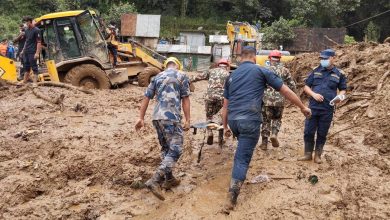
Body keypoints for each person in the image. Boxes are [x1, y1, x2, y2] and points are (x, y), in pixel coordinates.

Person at [222, 46, 311, 212]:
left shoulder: (231, 76)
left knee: (241, 148)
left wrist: (225, 126)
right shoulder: (261, 71)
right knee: (242, 158)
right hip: (250, 119)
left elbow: (225, 106)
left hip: (234, 120)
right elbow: (285, 90)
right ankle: (231, 198)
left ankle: (237, 173)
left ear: (241, 58)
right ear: (254, 57)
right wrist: (302, 107)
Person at [135, 57, 191, 200]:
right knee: (176, 150)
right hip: (171, 117)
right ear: (178, 66)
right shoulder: (182, 76)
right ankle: (155, 180)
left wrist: (141, 118)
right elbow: (185, 99)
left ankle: (169, 179)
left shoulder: (157, 76)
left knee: (166, 149)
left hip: (157, 118)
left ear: (166, 66)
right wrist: (188, 119)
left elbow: (146, 97)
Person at [298, 49, 347, 164]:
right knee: (308, 131)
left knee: (322, 132)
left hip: (328, 109)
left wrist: (339, 98)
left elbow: (343, 90)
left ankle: (318, 155)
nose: (323, 60)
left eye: (325, 58)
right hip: (313, 108)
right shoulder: (315, 71)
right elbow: (306, 87)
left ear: (333, 58)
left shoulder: (339, 74)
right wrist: (313, 94)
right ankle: (308, 154)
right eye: (322, 59)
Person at [259, 50, 296, 150]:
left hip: (266, 100)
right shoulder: (285, 70)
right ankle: (274, 134)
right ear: (280, 59)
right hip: (280, 100)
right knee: (277, 119)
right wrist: (292, 96)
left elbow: (258, 84)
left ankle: (264, 143)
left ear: (269, 58)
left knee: (266, 121)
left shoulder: (264, 69)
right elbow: (292, 85)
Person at [190, 58, 231, 144]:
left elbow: (198, 77)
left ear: (218, 65)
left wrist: (189, 80)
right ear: (227, 66)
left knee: (209, 116)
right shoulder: (228, 74)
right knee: (221, 116)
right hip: (222, 98)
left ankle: (210, 133)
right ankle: (220, 139)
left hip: (209, 97)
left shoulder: (211, 71)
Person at [20, 16, 41, 83]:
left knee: (34, 67)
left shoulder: (36, 30)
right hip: (26, 51)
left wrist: (37, 53)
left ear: (29, 21)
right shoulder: (26, 30)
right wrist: (23, 50)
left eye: (26, 22)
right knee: (26, 66)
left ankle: (35, 83)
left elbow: (39, 42)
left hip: (32, 51)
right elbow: (27, 41)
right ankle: (24, 81)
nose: (25, 24)